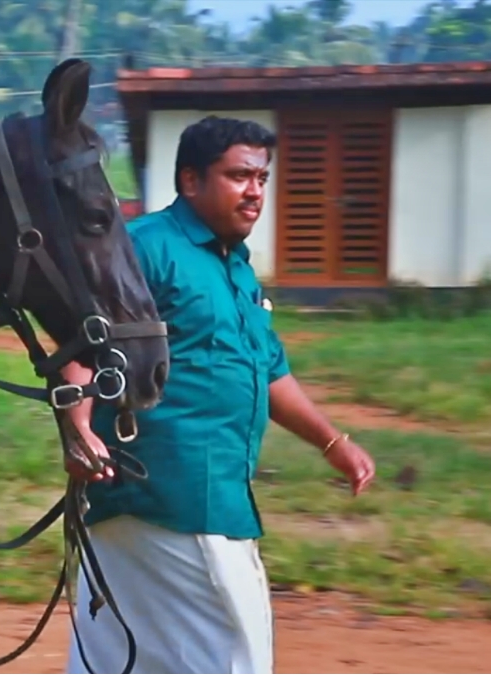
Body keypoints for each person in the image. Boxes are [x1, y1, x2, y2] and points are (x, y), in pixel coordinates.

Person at [59, 115, 377, 674]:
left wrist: (333, 443)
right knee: (235, 658)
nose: (255, 192)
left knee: (118, 661)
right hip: (176, 496)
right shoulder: (145, 249)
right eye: (238, 176)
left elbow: (269, 372)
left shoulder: (237, 269)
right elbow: (85, 344)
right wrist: (80, 427)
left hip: (189, 497)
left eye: (262, 178)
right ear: (190, 181)